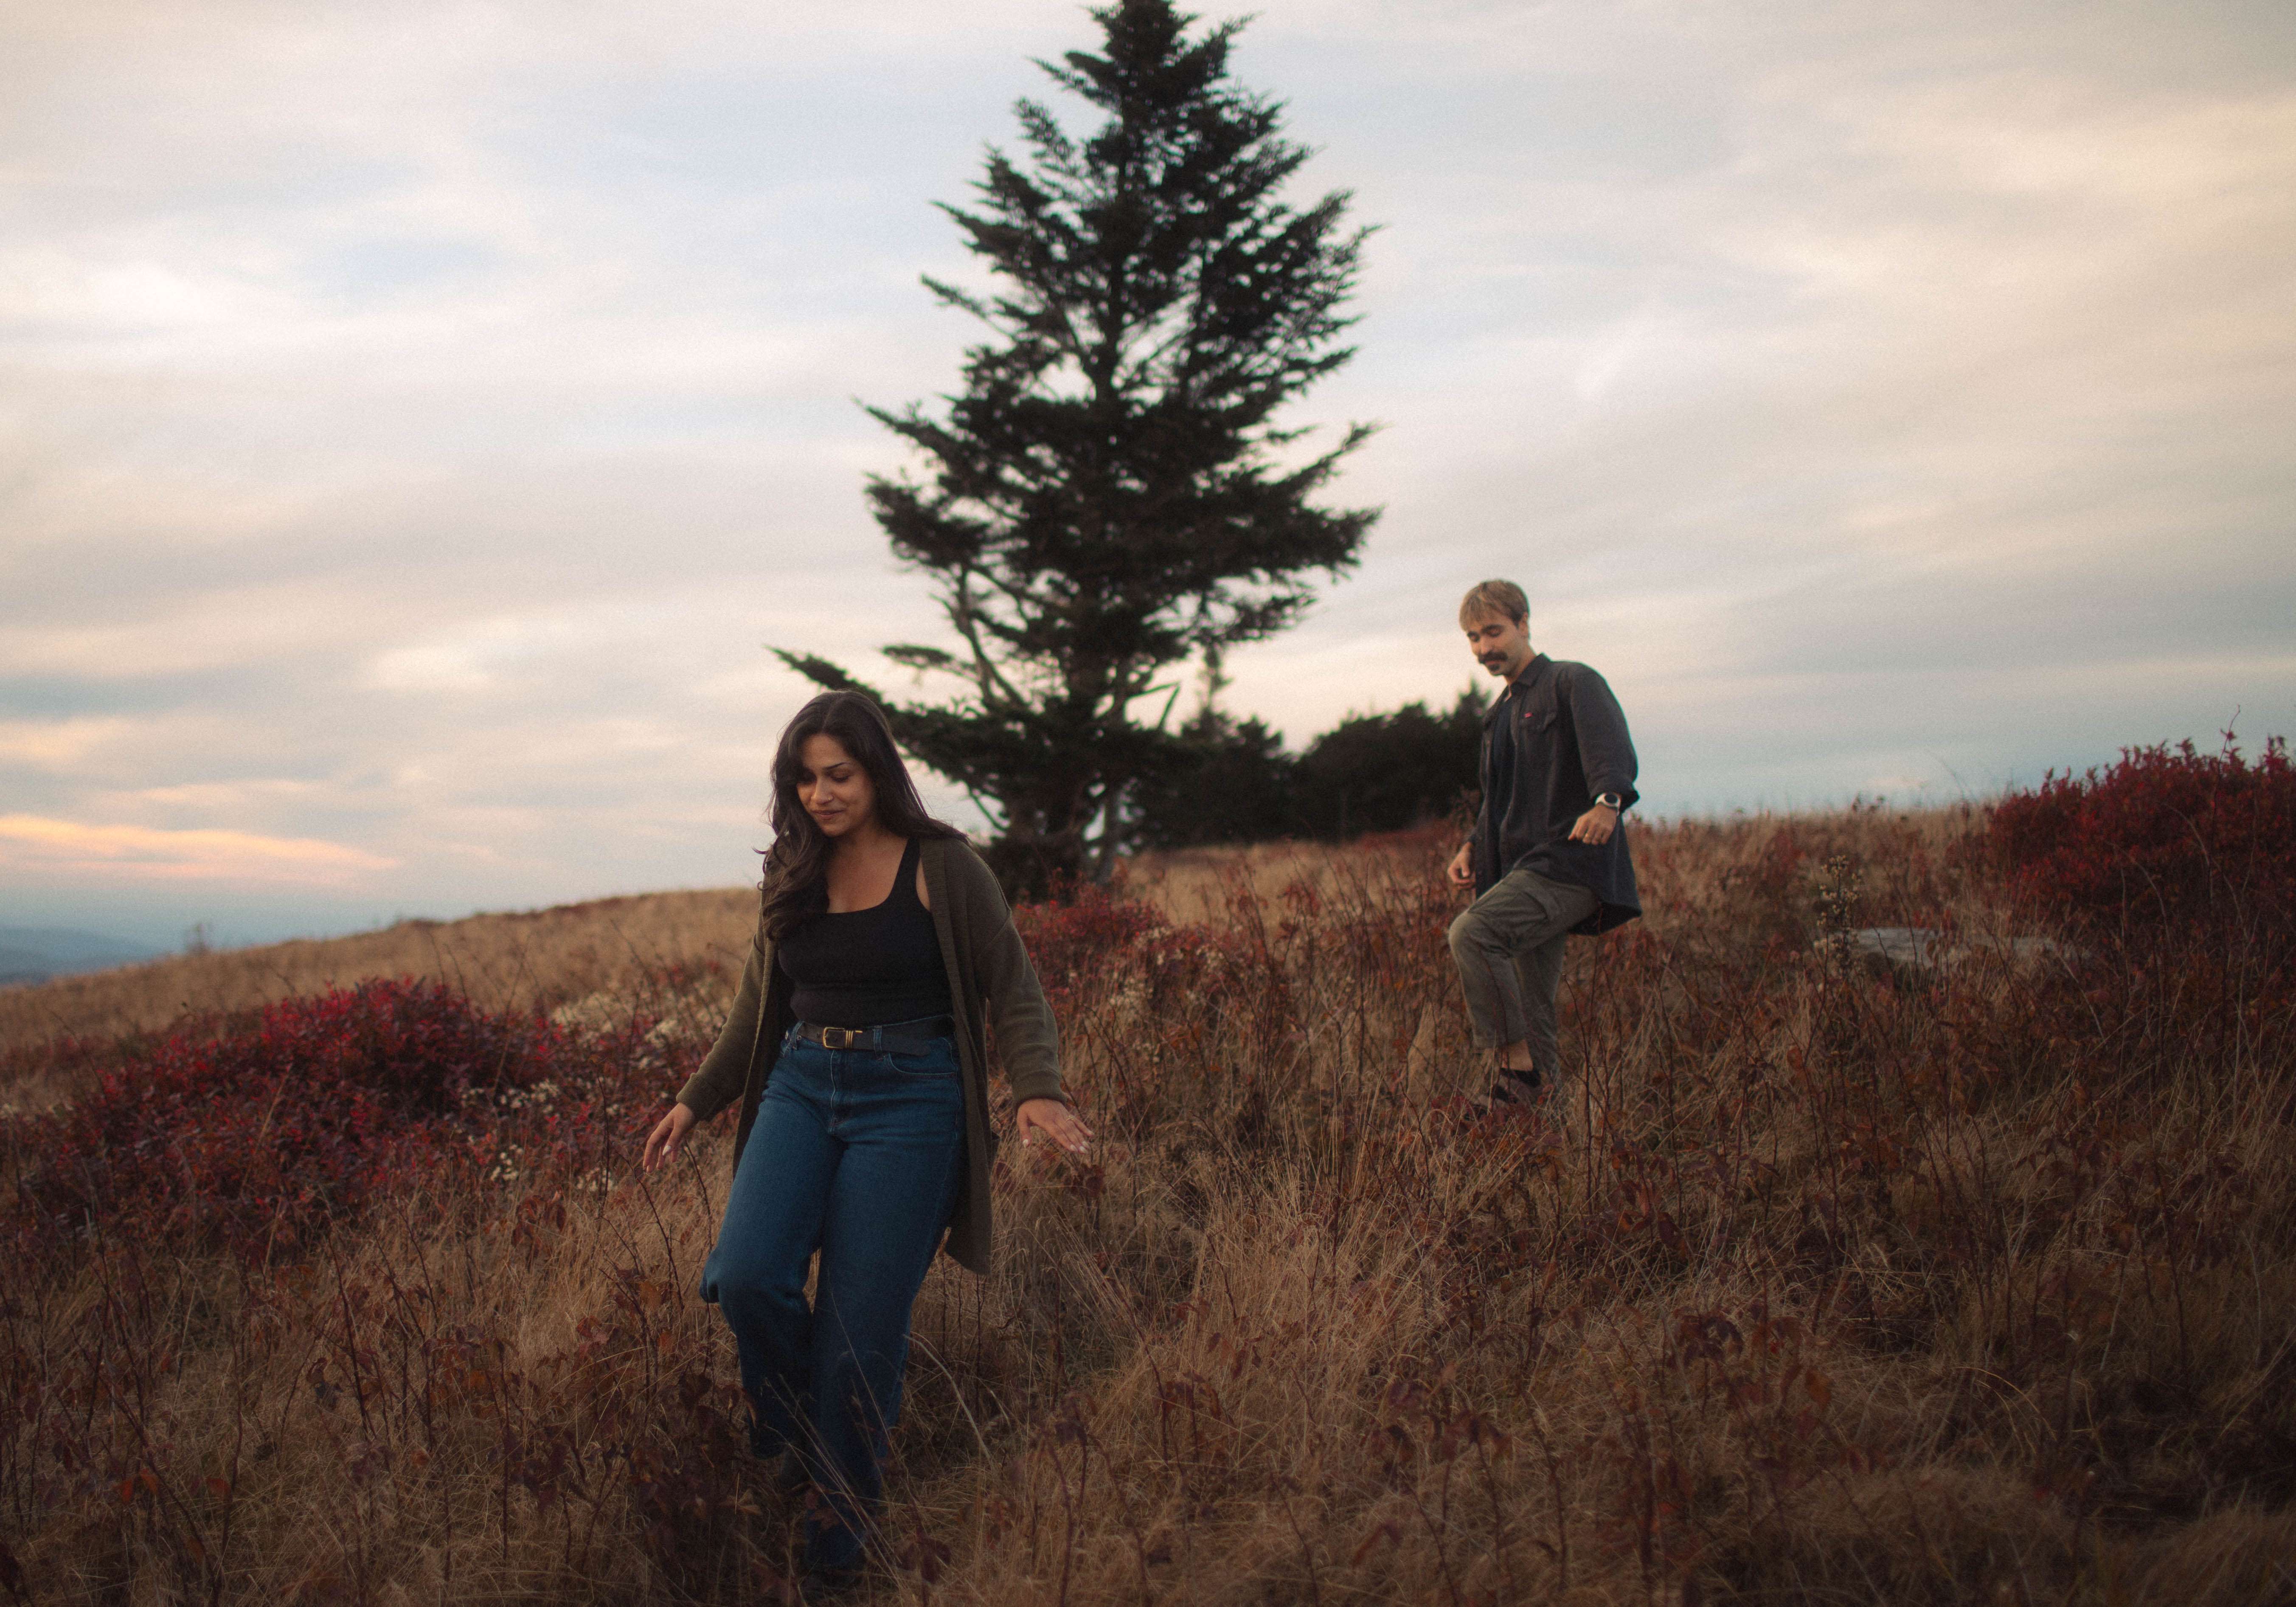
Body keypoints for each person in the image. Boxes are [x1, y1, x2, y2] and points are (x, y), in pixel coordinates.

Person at [641, 690, 1090, 1593]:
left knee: (858, 1337)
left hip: (912, 1100)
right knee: (748, 1274)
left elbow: (1012, 984)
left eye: (839, 774)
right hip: (802, 1085)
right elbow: (757, 1002)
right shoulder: (792, 868)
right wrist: (697, 1099)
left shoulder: (945, 867)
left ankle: (837, 1547)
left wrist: (1037, 1090)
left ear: (878, 771)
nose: (822, 794)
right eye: (806, 779)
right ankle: (795, 1437)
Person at [1444, 579, 1641, 1107]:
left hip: (1571, 864)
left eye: (1494, 632)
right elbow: (1499, 797)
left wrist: (1607, 801)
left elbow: (1612, 751)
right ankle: (1544, 1122)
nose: (1484, 647)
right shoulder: (1499, 713)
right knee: (1533, 1008)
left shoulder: (1573, 681)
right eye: (1473, 638)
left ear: (1524, 623)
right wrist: (1471, 844)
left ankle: (1518, 1075)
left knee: (1473, 933)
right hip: (1521, 869)